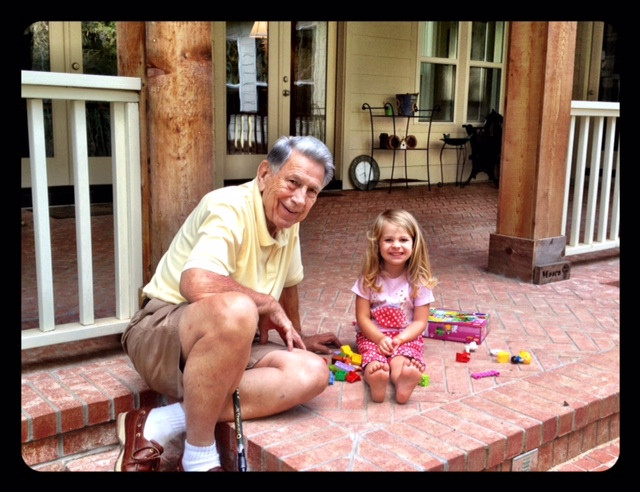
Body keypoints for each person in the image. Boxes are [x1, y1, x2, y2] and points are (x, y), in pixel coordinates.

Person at [115, 135, 342, 472]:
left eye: (312, 192)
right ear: (265, 174)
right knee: (240, 309)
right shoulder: (228, 206)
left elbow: (289, 283)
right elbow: (196, 283)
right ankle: (199, 456)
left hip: (225, 344)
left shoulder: (287, 222)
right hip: (161, 334)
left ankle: (157, 423)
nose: (299, 199)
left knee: (312, 372)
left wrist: (300, 336)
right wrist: (265, 303)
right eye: (293, 182)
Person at [351, 209, 438, 404]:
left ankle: (403, 381)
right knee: (373, 360)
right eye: (388, 240)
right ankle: (377, 381)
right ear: (377, 245)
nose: (396, 245)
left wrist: (400, 338)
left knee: (401, 360)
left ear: (414, 244)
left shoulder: (419, 281)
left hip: (405, 337)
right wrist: (380, 338)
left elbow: (420, 321)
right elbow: (363, 318)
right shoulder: (368, 279)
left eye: (403, 240)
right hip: (373, 335)